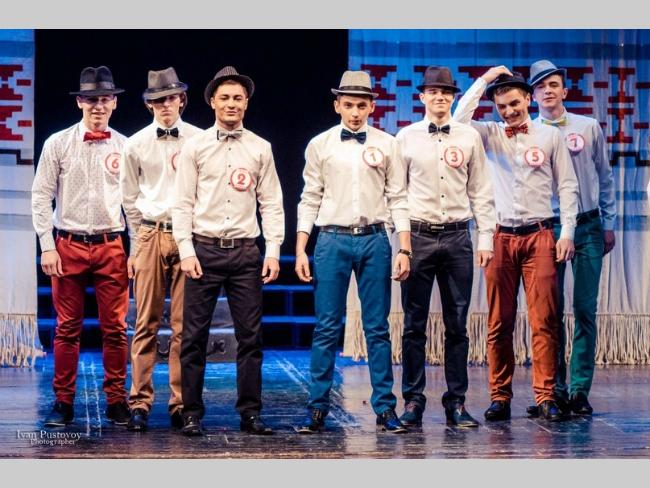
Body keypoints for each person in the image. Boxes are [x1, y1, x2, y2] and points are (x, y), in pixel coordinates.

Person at [453, 66, 579, 421]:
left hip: (540, 235)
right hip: (499, 237)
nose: (509, 111)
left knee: (544, 320)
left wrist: (567, 232)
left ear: (527, 99)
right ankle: (500, 396)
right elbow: (459, 120)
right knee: (499, 322)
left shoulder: (550, 136)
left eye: (514, 104)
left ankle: (546, 396)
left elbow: (567, 186)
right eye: (502, 107)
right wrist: (487, 78)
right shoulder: (490, 134)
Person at [295, 70, 411, 434]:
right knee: (327, 326)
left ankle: (385, 408)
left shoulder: (388, 144)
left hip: (375, 238)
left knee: (377, 327)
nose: (355, 112)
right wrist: (300, 247)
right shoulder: (320, 144)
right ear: (337, 106)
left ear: (372, 106)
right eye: (349, 105)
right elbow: (309, 197)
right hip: (332, 239)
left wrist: (404, 247)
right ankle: (317, 407)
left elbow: (398, 197)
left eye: (362, 105)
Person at [172, 66, 284, 436]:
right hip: (204, 250)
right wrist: (186, 249)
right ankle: (191, 413)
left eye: (238, 98)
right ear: (212, 102)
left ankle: (250, 413)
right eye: (225, 98)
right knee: (193, 337)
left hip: (245, 252)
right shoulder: (195, 147)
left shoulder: (260, 147)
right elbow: (182, 202)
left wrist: (272, 250)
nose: (231, 104)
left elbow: (272, 203)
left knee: (250, 338)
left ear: (246, 103)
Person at [396, 66, 496, 428]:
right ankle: (413, 400)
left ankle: (456, 402)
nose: (439, 97)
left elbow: (481, 190)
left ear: (453, 97)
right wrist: (403, 245)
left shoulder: (468, 137)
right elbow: (397, 194)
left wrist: (485, 237)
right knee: (414, 325)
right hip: (419, 236)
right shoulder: (405, 137)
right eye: (433, 92)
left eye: (446, 92)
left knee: (457, 325)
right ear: (422, 96)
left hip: (457, 238)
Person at [32, 66, 131, 427]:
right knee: (66, 327)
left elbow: (134, 203)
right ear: (79, 102)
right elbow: (41, 196)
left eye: (104, 99)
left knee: (115, 328)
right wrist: (47, 245)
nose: (98, 105)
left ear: (114, 102)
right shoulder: (57, 143)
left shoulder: (126, 146)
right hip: (68, 243)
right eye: (91, 99)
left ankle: (117, 400)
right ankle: (63, 401)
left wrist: (135, 250)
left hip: (110, 243)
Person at [524, 60, 616, 417]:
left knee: (584, 309)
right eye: (540, 86)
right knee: (549, 312)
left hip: (588, 225)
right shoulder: (528, 132)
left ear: (565, 90)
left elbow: (604, 176)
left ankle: (579, 390)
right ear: (532, 95)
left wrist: (608, 222)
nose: (548, 90)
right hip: (549, 228)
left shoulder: (587, 126)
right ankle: (553, 391)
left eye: (553, 84)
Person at [120, 67, 202, 432]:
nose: (165, 105)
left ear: (181, 99)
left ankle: (180, 403)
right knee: (145, 322)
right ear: (148, 105)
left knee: (185, 325)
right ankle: (139, 402)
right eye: (157, 100)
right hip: (151, 233)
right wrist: (137, 244)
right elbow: (129, 199)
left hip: (188, 236)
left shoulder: (200, 139)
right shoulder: (135, 144)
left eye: (170, 98)